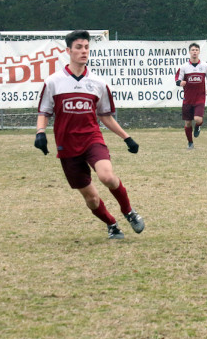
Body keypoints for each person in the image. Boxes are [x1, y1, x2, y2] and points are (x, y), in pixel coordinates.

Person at [35, 30, 144, 240]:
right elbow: (44, 112)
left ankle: (129, 212)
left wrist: (126, 138)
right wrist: (40, 133)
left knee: (107, 176)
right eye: (79, 47)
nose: (84, 51)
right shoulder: (53, 82)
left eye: (86, 47)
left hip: (92, 139)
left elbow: (105, 116)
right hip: (66, 146)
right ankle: (112, 224)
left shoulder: (98, 83)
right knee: (92, 199)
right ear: (68, 51)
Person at [175, 42, 207, 149]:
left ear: (199, 52)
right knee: (188, 123)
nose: (194, 52)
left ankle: (198, 127)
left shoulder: (205, 66)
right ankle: (190, 143)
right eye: (193, 50)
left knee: (197, 119)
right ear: (189, 52)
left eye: (196, 50)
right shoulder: (184, 67)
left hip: (200, 98)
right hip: (188, 99)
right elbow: (177, 79)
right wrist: (180, 83)